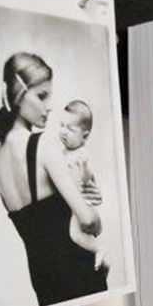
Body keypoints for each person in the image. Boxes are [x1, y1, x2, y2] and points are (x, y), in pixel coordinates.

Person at [0, 52, 108, 306]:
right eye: (42, 96)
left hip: (43, 281)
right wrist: (95, 216)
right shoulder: (43, 145)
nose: (50, 105)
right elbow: (88, 221)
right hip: (78, 274)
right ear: (19, 95)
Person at [58, 99, 108, 271]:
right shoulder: (62, 153)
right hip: (73, 202)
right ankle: (101, 260)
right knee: (77, 235)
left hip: (82, 202)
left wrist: (85, 167)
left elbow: (87, 179)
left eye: (70, 129)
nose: (63, 132)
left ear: (84, 136)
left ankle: (99, 248)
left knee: (75, 234)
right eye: (61, 125)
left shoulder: (81, 154)